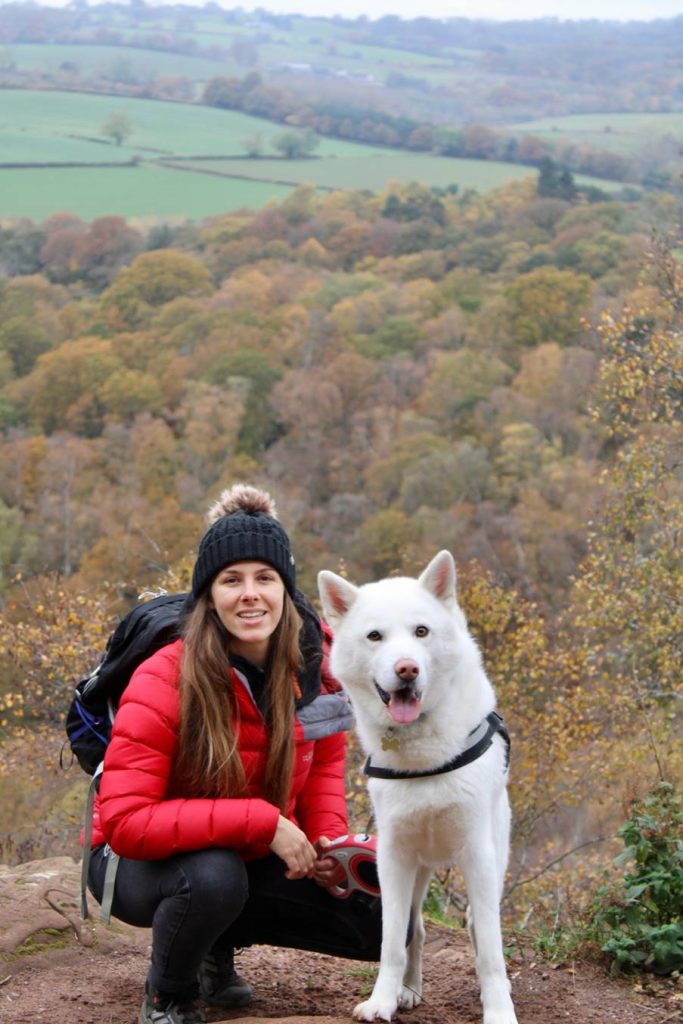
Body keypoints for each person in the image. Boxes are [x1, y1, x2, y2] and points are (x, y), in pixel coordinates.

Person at [87, 484, 383, 1024]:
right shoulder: (164, 678)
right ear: (209, 595)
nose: (250, 595)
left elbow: (322, 772)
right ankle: (169, 995)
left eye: (265, 578)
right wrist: (264, 822)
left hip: (244, 849)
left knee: (379, 918)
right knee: (213, 877)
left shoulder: (316, 671)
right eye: (231, 580)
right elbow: (126, 822)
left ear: (285, 588)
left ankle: (211, 943)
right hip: (137, 863)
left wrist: (327, 846)